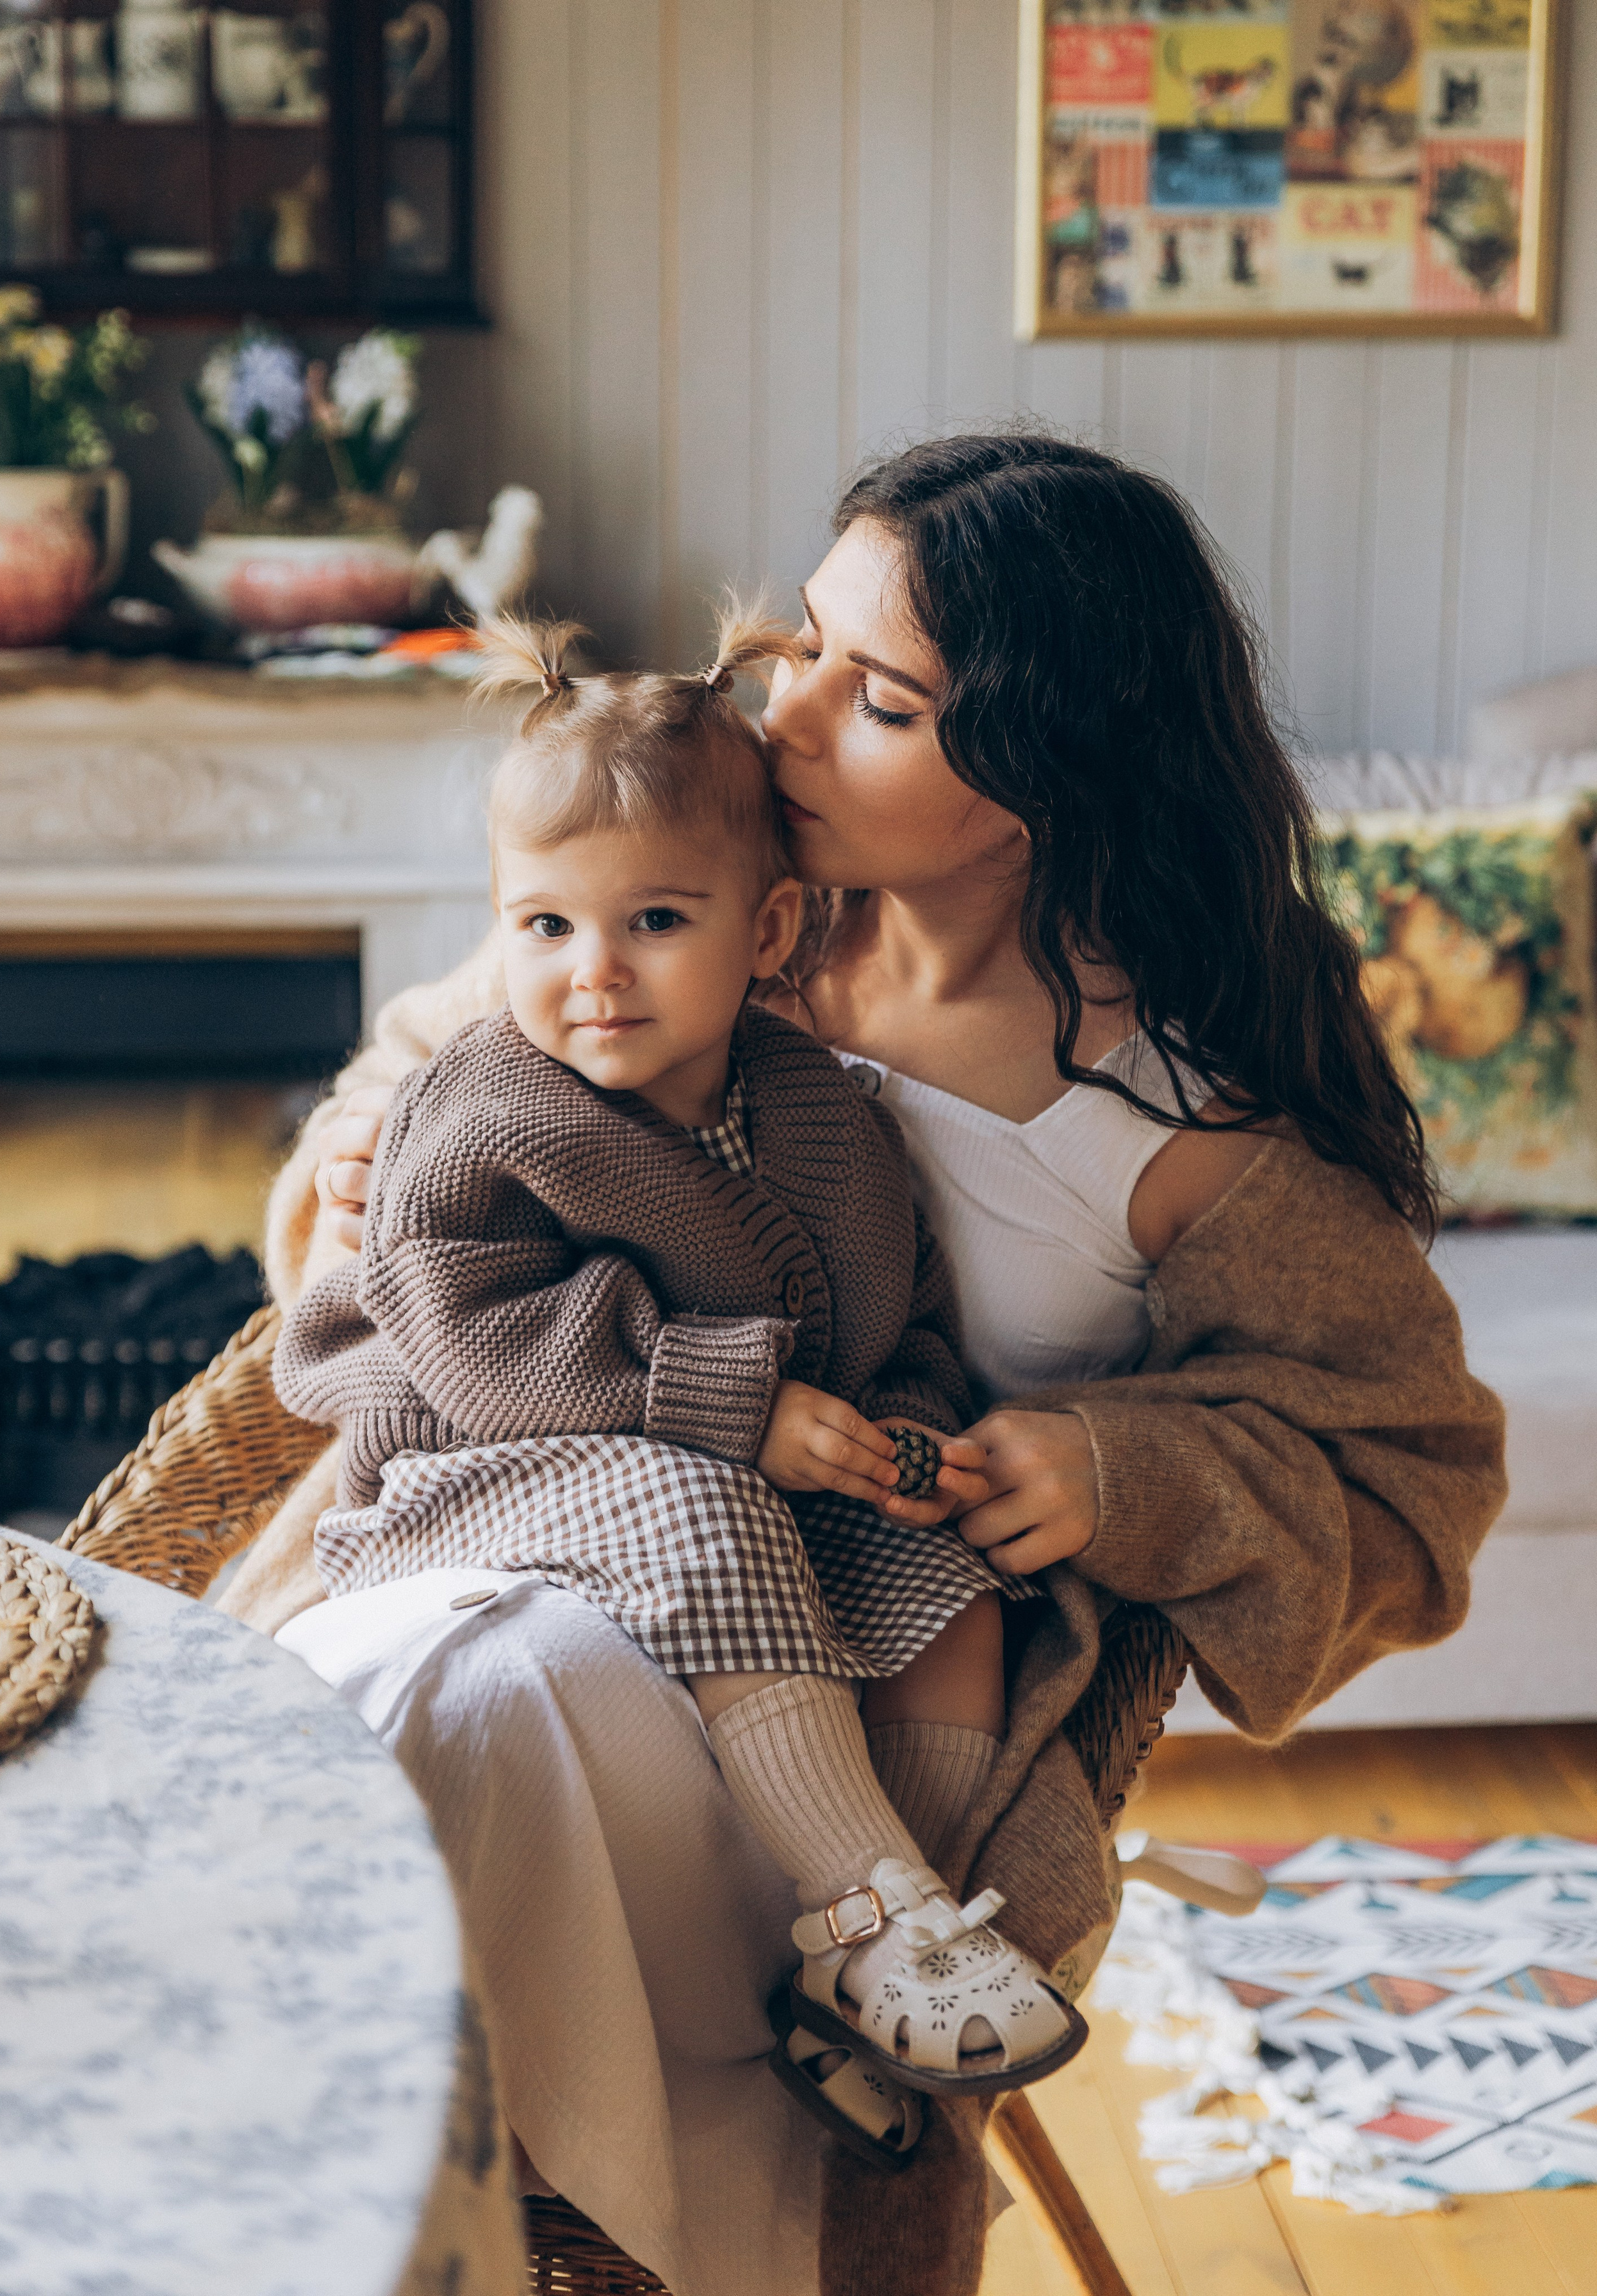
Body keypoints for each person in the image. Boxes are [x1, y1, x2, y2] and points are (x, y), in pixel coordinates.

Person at [235, 431, 1505, 2296]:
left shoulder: (1177, 1124)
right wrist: (356, 1167)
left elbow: (1410, 1475)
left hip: (843, 1702)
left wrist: (1118, 1469)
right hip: (496, 1515)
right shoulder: (696, 892)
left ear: (1043, 773)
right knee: (453, 1688)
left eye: (880, 700)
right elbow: (428, 1109)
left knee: (491, 1708)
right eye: (802, 651)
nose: (790, 720)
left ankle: (573, 2131)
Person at [272, 604, 1080, 2104]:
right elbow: (473, 1330)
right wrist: (734, 1408)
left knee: (949, 1591)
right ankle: (864, 1906)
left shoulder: (820, 1114)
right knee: (697, 1502)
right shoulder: (487, 1105)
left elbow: (890, 1310)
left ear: (763, 932)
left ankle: (876, 1969)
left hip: (738, 1465)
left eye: (652, 922)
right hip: (470, 1464)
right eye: (544, 926)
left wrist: (897, 1434)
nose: (593, 972)